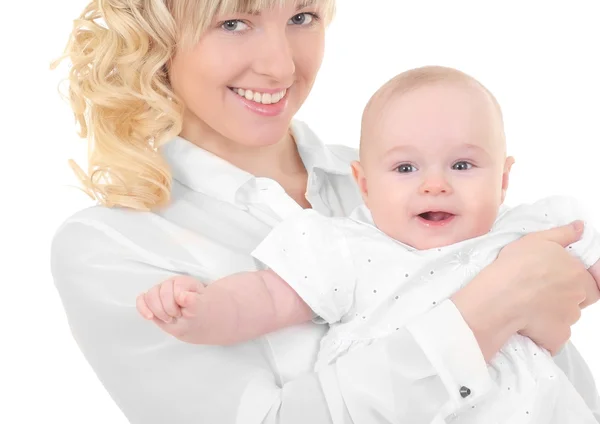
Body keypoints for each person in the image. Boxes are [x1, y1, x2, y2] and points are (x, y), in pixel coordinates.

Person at [49, 0, 600, 424]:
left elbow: (557, 378)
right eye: (234, 22)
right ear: (156, 31)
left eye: (302, 18)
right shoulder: (114, 250)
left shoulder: (400, 180)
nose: (281, 66)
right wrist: (495, 303)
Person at [136, 66, 600, 423]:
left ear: (502, 180)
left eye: (462, 165)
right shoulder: (345, 249)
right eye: (405, 169)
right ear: (364, 184)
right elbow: (266, 299)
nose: (434, 185)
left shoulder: (523, 231)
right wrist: (200, 311)